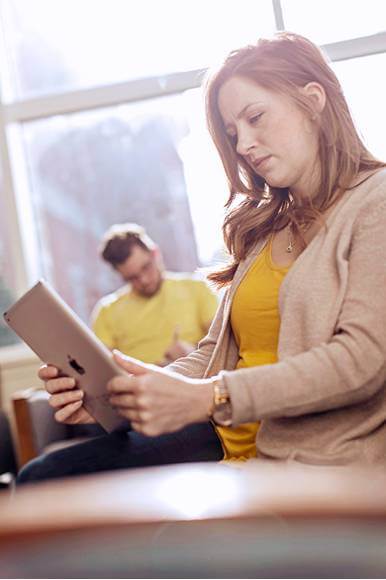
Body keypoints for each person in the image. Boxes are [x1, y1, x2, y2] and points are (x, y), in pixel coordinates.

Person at [17, 31, 386, 485]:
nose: (245, 145)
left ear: (313, 100)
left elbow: (360, 363)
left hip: (308, 463)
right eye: (234, 133)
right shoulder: (266, 229)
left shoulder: (375, 203)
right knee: (44, 479)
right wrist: (130, 389)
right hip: (223, 436)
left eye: (256, 118)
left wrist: (209, 397)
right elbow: (215, 352)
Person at [91, 223, 218, 365]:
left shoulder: (197, 289)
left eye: (146, 267)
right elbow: (102, 368)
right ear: (121, 276)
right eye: (132, 278)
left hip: (191, 376)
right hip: (135, 384)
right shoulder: (106, 311)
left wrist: (193, 353)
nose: (143, 280)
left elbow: (223, 347)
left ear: (155, 253)